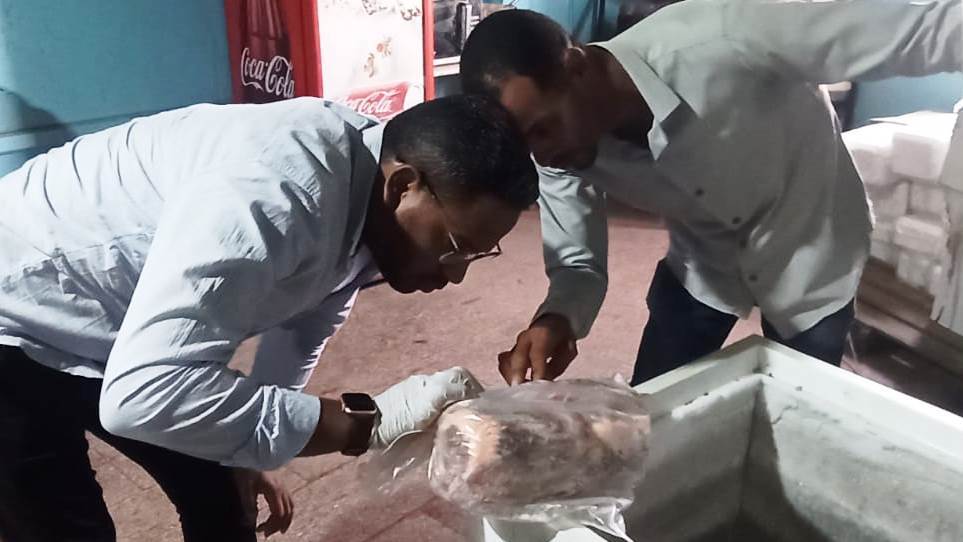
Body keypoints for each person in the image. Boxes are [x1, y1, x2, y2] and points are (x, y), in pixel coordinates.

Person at [0, 94, 537, 541]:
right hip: (16, 304)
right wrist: (366, 423)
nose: (455, 276)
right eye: (454, 247)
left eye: (478, 254)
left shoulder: (369, 181)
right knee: (64, 524)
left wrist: (255, 451)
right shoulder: (274, 194)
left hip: (112, 316)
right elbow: (140, 397)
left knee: (224, 486)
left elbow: (306, 325)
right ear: (403, 187)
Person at [459, 1, 963, 387]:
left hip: (812, 249)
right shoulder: (555, 150)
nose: (542, 154)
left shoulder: (724, 35)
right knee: (656, 410)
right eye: (527, 143)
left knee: (800, 410)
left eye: (543, 128)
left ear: (575, 67)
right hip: (704, 264)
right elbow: (578, 262)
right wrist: (557, 317)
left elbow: (915, 30)